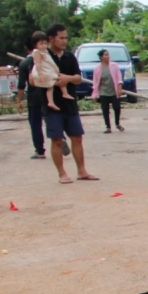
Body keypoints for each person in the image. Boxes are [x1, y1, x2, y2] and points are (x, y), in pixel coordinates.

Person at [44, 23, 97, 183]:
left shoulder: (70, 57)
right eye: (61, 38)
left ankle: (82, 171)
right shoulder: (43, 57)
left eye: (66, 38)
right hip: (52, 105)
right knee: (57, 140)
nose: (64, 41)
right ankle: (62, 174)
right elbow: (33, 80)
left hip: (70, 104)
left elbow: (78, 78)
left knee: (77, 137)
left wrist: (68, 79)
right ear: (51, 38)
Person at [15, 32, 48, 159]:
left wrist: (18, 101)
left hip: (34, 98)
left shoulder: (24, 64)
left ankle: (40, 150)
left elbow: (21, 85)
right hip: (47, 94)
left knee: (35, 125)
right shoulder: (48, 59)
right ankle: (59, 137)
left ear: (26, 47)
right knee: (51, 119)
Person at [91, 49, 125, 133]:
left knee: (117, 108)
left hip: (114, 91)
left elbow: (119, 79)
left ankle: (117, 124)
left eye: (108, 54)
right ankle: (108, 127)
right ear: (101, 57)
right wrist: (94, 95)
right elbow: (95, 83)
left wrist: (119, 89)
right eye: (105, 55)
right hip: (103, 92)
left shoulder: (114, 66)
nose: (107, 56)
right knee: (105, 110)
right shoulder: (97, 69)